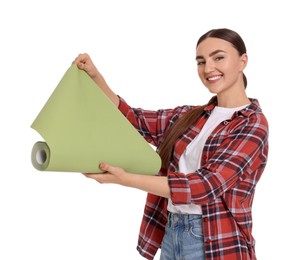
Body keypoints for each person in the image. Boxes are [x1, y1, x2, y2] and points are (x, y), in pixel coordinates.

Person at [73, 28, 269, 260]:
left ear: (242, 61)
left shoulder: (253, 125)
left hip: (214, 241)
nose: (208, 69)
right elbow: (135, 120)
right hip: (171, 231)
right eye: (200, 61)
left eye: (219, 57)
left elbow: (204, 186)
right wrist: (96, 77)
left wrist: (126, 179)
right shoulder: (191, 116)